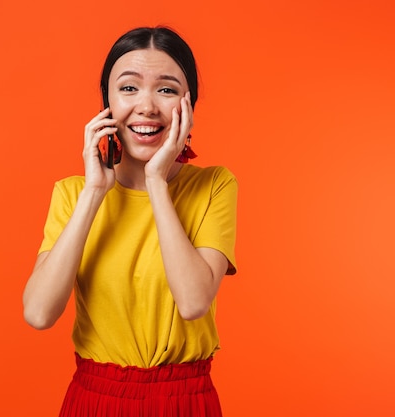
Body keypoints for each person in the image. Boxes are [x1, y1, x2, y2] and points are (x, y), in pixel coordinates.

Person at [23, 26, 238, 416]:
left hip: (185, 400)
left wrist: (156, 180)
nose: (147, 106)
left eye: (167, 89)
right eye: (128, 88)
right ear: (107, 99)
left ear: (189, 104)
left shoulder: (214, 185)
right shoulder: (73, 193)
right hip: (96, 398)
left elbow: (192, 302)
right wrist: (94, 192)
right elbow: (38, 313)